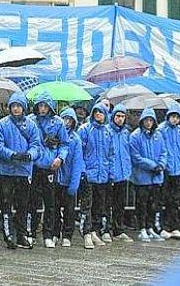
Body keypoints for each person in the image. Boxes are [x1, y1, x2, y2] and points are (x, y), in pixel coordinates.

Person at [0, 92, 40, 250]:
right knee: (6, 203)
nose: (16, 109)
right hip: (6, 170)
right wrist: (12, 155)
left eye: (18, 106)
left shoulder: (31, 125)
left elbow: (36, 145)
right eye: (13, 106)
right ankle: (8, 234)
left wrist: (29, 155)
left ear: (23, 108)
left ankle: (21, 234)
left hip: (24, 170)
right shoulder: (2, 124)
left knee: (23, 204)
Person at [28, 91, 68, 248]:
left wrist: (60, 158)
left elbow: (65, 144)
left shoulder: (58, 122)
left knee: (50, 202)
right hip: (34, 166)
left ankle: (48, 234)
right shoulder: (31, 121)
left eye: (45, 106)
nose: (43, 109)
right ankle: (30, 232)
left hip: (50, 167)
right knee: (32, 201)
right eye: (40, 105)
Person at [77, 102, 112, 249]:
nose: (98, 114)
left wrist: (110, 173)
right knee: (87, 205)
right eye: (96, 112)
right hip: (88, 174)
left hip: (102, 175)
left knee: (99, 205)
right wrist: (83, 171)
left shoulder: (107, 132)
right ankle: (86, 233)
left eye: (101, 112)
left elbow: (111, 154)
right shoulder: (85, 129)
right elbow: (80, 153)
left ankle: (95, 231)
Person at [129, 108, 167, 242]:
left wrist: (161, 164)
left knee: (153, 204)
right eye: (147, 120)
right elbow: (136, 157)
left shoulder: (158, 135)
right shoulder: (135, 136)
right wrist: (153, 165)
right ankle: (142, 228)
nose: (149, 123)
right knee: (142, 204)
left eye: (151, 120)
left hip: (156, 177)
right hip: (142, 177)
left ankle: (150, 227)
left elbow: (164, 151)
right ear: (142, 121)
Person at [158, 103, 180, 240]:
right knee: (163, 198)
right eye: (173, 116)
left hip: (177, 169)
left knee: (174, 200)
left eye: (177, 117)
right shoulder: (161, 130)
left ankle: (174, 226)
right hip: (165, 170)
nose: (175, 119)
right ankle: (163, 226)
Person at [56, 108, 84, 247]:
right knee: (54, 208)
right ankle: (55, 233)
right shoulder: (56, 135)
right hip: (56, 179)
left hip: (68, 179)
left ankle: (67, 234)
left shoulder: (76, 139)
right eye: (64, 119)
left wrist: (74, 184)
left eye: (69, 120)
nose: (67, 122)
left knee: (69, 210)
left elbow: (78, 163)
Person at [107, 104, 133, 243]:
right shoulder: (108, 131)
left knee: (120, 203)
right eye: (118, 116)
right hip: (111, 173)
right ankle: (106, 229)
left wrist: (128, 170)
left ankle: (118, 229)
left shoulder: (126, 133)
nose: (120, 119)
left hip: (123, 173)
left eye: (123, 116)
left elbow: (128, 152)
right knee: (107, 203)